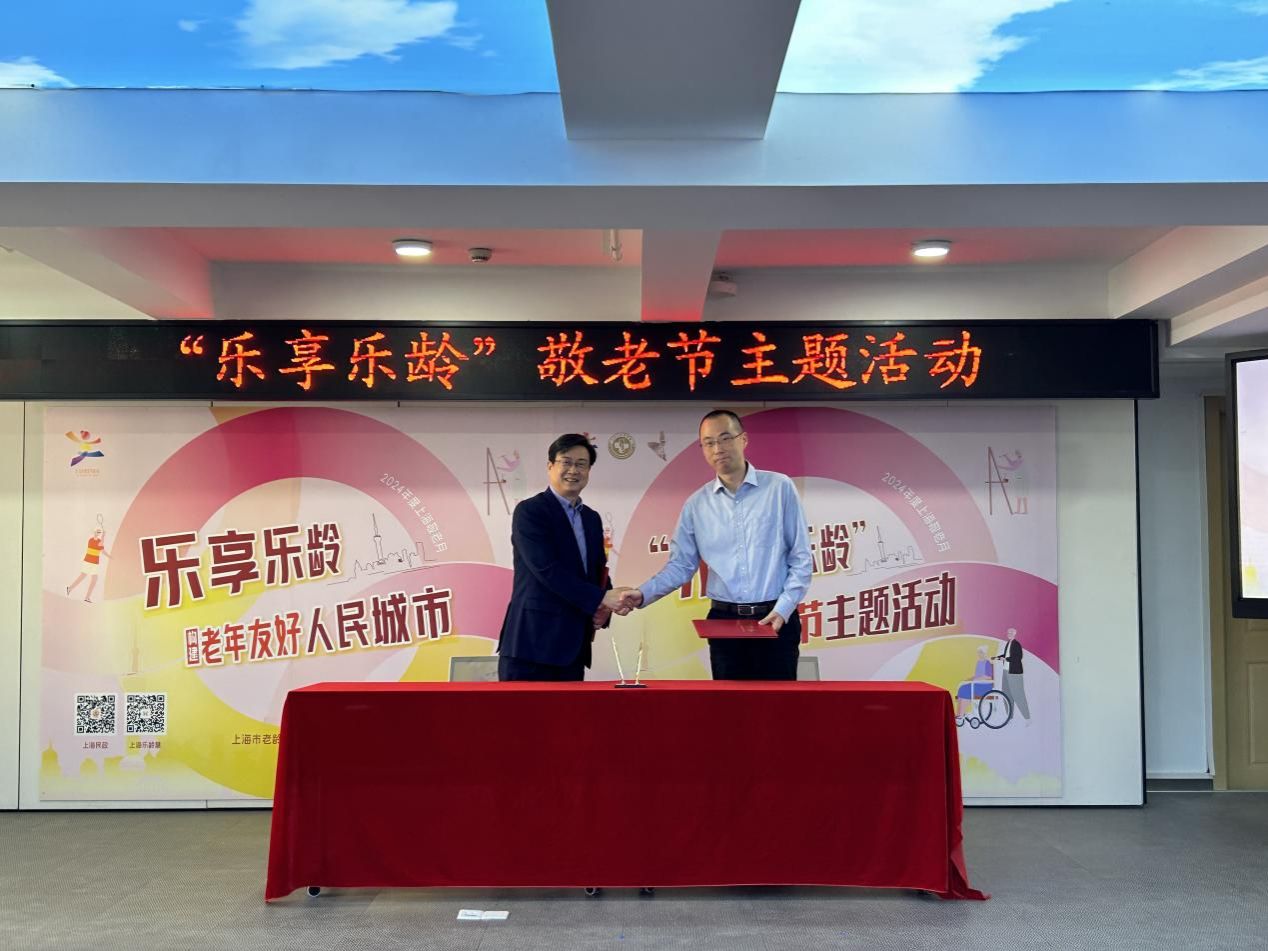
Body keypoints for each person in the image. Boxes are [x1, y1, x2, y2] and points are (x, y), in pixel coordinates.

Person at [618, 410, 813, 680]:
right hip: (724, 622)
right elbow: (681, 566)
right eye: (708, 443)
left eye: (725, 438)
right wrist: (642, 594)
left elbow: (801, 558)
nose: (717, 449)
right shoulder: (696, 505)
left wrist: (783, 609)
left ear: (743, 439)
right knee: (728, 704)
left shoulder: (779, 488)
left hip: (775, 619)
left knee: (778, 704)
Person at [496, 434, 627, 681]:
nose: (573, 470)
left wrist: (606, 606)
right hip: (531, 646)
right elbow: (546, 569)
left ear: (589, 470)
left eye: (581, 464)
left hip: (573, 648)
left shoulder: (591, 518)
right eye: (566, 462)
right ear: (550, 466)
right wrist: (601, 598)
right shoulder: (530, 511)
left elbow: (597, 571)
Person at [994, 627, 1032, 724]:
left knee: (1018, 695)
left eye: (1011, 633)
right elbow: (1007, 655)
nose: (1009, 634)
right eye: (1008, 632)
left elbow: (1018, 657)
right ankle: (1009, 717)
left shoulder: (1016, 644)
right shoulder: (1008, 643)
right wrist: (998, 657)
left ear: (1015, 634)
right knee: (1006, 694)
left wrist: (1006, 659)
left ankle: (1027, 718)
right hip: (1006, 672)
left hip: (1014, 673)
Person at [66, 525, 110, 603]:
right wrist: (103, 536)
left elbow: (102, 551)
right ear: (94, 532)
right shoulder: (91, 540)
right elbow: (100, 544)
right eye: (97, 531)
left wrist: (110, 557)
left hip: (95, 563)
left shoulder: (99, 541)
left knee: (94, 579)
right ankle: (70, 588)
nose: (98, 533)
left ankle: (87, 597)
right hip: (88, 561)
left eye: (99, 532)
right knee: (83, 576)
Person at [955, 647, 995, 719]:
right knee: (962, 688)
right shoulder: (979, 662)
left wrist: (976, 679)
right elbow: (977, 675)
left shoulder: (987, 663)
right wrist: (969, 679)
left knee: (966, 690)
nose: (980, 654)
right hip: (977, 683)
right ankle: (958, 714)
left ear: (985, 653)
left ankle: (961, 715)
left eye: (981, 652)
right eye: (979, 652)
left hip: (985, 685)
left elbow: (989, 677)